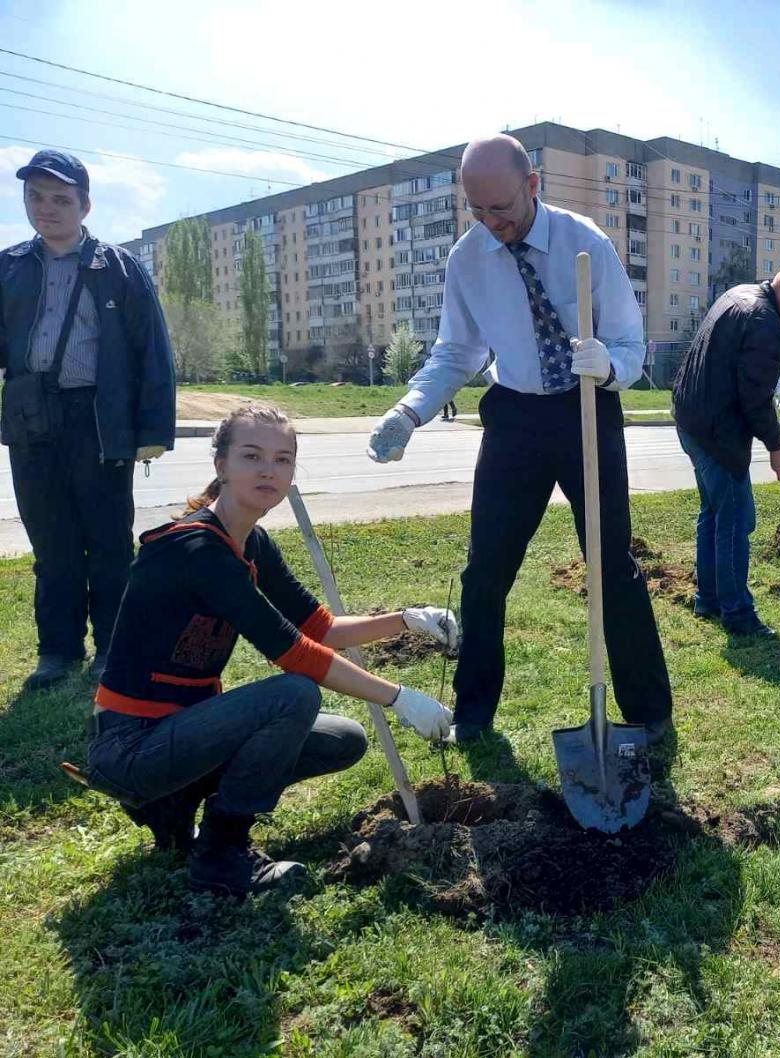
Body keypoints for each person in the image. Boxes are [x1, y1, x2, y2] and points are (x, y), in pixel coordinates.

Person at [366, 135, 672, 746]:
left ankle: (648, 713)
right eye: (477, 211)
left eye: (501, 207)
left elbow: (633, 348)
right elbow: (459, 350)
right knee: (486, 572)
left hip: (587, 409)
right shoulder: (469, 258)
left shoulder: (585, 242)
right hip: (515, 419)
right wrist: (410, 410)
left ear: (533, 184)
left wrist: (606, 364)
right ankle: (474, 713)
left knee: (611, 566)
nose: (491, 222)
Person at [88, 403, 458, 897]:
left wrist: (407, 620)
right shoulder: (196, 551)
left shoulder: (253, 542)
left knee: (343, 739)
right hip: (130, 743)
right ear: (221, 464)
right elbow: (295, 653)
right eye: (252, 455)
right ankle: (222, 853)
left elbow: (319, 628)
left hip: (181, 732)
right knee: (294, 695)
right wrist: (399, 698)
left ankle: (172, 804)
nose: (269, 470)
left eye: (283, 459)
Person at [1, 149, 176, 690]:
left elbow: (153, 351)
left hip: (99, 419)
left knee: (107, 542)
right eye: (36, 198)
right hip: (33, 417)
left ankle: (112, 650)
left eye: (60, 199)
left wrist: (151, 432)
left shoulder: (120, 268)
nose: (46, 209)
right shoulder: (8, 267)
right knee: (51, 543)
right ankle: (57, 652)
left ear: (84, 205)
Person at [672, 258, 780, 636]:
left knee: (713, 513)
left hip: (691, 418)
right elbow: (755, 397)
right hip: (717, 430)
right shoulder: (764, 323)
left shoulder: (738, 294)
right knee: (736, 519)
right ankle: (737, 614)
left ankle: (709, 599)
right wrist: (777, 448)